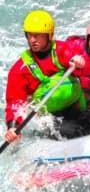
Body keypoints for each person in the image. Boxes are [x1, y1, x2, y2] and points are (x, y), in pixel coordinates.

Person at [4, 9, 85, 144]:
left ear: (49, 35)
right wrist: (12, 127)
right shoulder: (19, 70)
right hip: (52, 120)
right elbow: (15, 103)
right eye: (29, 35)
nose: (32, 40)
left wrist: (79, 62)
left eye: (37, 35)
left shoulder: (62, 50)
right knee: (73, 130)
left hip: (76, 107)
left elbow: (78, 61)